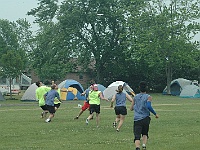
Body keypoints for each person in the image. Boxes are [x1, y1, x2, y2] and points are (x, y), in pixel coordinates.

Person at [130, 81, 159, 150]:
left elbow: (131, 108)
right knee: (145, 133)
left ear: (139, 88)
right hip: (146, 118)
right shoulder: (148, 97)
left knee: (137, 135)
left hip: (137, 119)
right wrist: (155, 114)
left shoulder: (135, 97)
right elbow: (148, 106)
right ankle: (144, 145)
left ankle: (137, 147)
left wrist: (137, 106)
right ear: (146, 88)